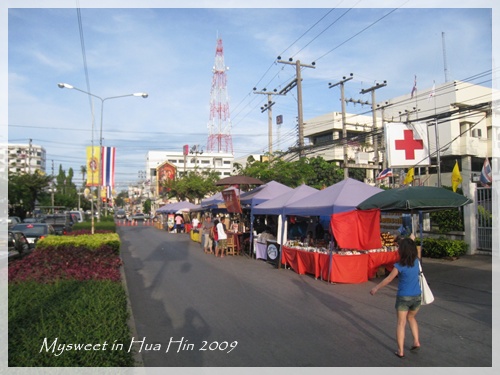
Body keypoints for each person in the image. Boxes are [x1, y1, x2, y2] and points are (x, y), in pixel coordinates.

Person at [370, 235, 421, 359]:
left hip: (404, 297)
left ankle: (400, 350)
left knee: (401, 323)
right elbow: (410, 247)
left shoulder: (399, 266)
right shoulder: (416, 261)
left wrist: (376, 288)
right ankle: (416, 341)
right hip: (417, 297)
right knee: (412, 318)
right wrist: (411, 239)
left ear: (401, 251)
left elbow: (388, 279)